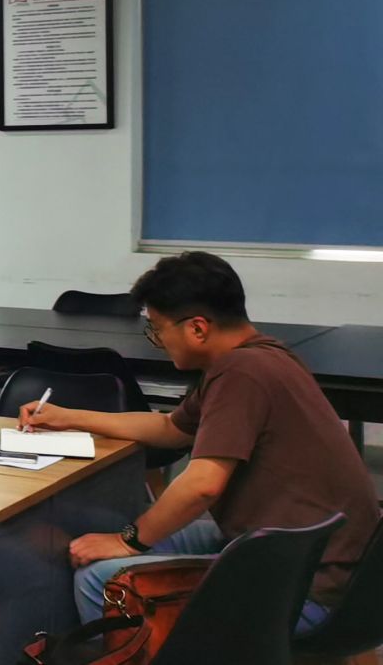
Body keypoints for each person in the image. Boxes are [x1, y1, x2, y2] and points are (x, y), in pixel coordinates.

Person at [22, 252, 379, 628]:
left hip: (306, 587)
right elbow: (170, 428)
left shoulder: (241, 372)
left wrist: (127, 541)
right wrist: (68, 417)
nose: (157, 340)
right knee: (126, 540)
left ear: (197, 328)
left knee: (102, 579)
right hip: (305, 552)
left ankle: (133, 651)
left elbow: (202, 486)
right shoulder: (262, 357)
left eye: (157, 328)